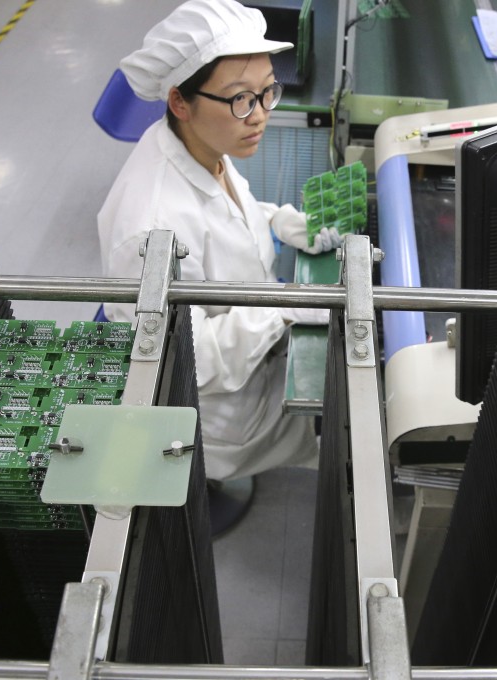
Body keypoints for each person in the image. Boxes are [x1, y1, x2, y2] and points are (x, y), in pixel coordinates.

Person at [97, 0, 339, 513]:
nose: (261, 116)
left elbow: (227, 211)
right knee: (345, 437)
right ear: (180, 101)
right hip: (217, 414)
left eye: (268, 91)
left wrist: (277, 220)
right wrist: (282, 306)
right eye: (240, 101)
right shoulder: (152, 228)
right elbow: (195, 359)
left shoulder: (197, 142)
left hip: (250, 361)